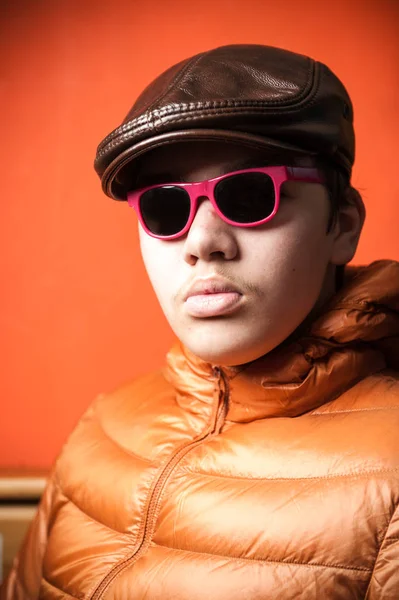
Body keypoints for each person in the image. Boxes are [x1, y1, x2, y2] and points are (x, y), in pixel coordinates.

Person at [2, 44, 398, 600]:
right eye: (165, 206)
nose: (202, 242)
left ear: (343, 226)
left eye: (249, 194)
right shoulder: (102, 427)